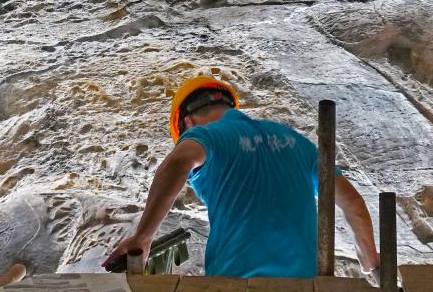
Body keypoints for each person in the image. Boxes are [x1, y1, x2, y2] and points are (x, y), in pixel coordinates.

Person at [102, 76, 380, 278]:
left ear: (187, 123)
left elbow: (179, 161)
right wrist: (370, 260)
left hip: (235, 290)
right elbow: (352, 203)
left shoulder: (207, 136)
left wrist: (143, 237)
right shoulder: (295, 141)